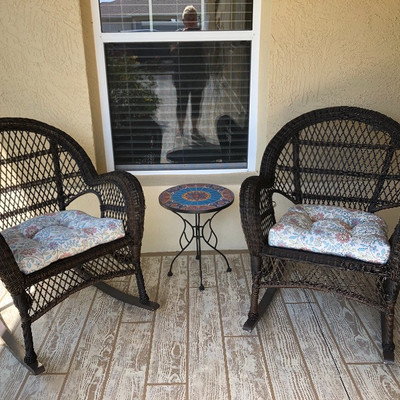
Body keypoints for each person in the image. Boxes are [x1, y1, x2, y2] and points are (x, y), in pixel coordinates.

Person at [171, 5, 208, 139]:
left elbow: (206, 54)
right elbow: (172, 54)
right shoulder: (178, 34)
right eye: (188, 18)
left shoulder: (202, 34)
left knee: (196, 103)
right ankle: (180, 130)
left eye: (193, 18)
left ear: (197, 19)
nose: (191, 20)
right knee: (181, 103)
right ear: (183, 20)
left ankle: (194, 129)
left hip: (198, 75)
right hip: (181, 76)